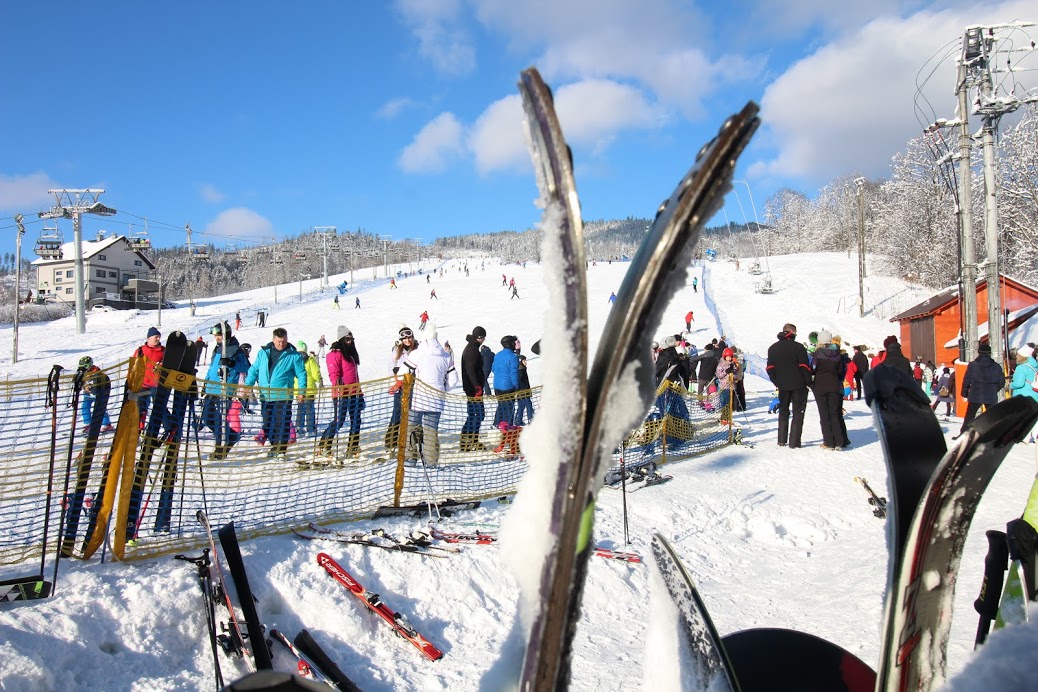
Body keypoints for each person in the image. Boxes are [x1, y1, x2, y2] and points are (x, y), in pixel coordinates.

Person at [245, 328, 306, 459]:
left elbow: (301, 374)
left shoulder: (294, 355)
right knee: (268, 423)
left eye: (283, 341)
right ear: (273, 340)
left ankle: (280, 450)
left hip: (283, 396)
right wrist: (247, 385)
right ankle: (275, 446)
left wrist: (301, 391)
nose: (281, 344)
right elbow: (254, 370)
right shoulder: (263, 353)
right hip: (265, 395)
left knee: (281, 423)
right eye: (279, 341)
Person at [403, 322, 458, 466]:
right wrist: (442, 389)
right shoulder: (446, 356)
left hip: (418, 399)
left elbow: (404, 372)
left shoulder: (417, 353)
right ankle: (430, 460)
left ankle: (410, 457)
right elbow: (453, 379)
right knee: (430, 430)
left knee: (412, 426)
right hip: (437, 399)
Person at [200, 322, 250, 460]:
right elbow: (212, 369)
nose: (217, 338)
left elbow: (246, 368)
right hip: (212, 389)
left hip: (226, 389)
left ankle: (220, 448)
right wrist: (205, 383)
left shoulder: (236, 350)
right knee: (207, 417)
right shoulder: (216, 349)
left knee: (222, 419)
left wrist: (232, 364)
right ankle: (231, 436)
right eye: (216, 336)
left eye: (219, 335)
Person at [316, 326, 363, 461]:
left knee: (356, 420)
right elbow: (333, 374)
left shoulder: (351, 354)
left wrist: (360, 392)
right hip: (341, 393)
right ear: (341, 339)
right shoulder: (335, 354)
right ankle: (325, 444)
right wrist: (338, 384)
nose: (350, 342)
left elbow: (355, 376)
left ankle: (353, 446)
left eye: (351, 339)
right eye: (347, 339)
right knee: (339, 420)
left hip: (354, 392)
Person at [766, 323, 812, 448]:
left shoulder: (773, 348)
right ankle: (794, 442)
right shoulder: (798, 347)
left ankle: (781, 440)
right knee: (798, 412)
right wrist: (809, 383)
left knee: (783, 411)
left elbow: (770, 368)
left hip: (782, 385)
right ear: (792, 332)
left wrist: (776, 381)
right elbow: (805, 367)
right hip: (799, 385)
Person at [958, 342, 1006, 436]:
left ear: (979, 352)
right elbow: (1001, 382)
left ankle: (964, 434)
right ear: (989, 353)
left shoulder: (973, 365)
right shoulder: (996, 366)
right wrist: (993, 389)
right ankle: (993, 436)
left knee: (970, 415)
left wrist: (964, 393)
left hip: (975, 393)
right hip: (991, 394)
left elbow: (967, 380)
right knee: (991, 416)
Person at [385, 325, 418, 451]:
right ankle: (391, 443)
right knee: (397, 414)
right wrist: (395, 381)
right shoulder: (397, 352)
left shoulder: (417, 350)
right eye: (404, 339)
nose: (407, 341)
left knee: (413, 416)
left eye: (409, 337)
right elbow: (390, 368)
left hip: (414, 388)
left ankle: (411, 442)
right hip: (400, 388)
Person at [811, 338, 846, 450]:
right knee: (834, 413)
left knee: (824, 414)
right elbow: (841, 371)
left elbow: (813, 368)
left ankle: (829, 442)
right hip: (834, 385)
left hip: (820, 385)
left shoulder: (818, 354)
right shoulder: (838, 354)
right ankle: (839, 442)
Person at [461, 326, 489, 451]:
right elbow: (470, 369)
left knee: (477, 414)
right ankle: (467, 440)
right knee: (476, 414)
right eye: (483, 337)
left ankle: (472, 439)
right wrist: (477, 386)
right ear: (480, 338)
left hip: (473, 387)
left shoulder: (473, 347)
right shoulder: (472, 350)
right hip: (473, 389)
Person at [132, 327, 165, 429]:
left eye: (159, 337)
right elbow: (134, 365)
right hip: (143, 383)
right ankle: (139, 427)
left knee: (160, 408)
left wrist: (162, 365)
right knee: (141, 406)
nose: (158, 339)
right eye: (156, 337)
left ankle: (170, 428)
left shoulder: (163, 351)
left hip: (158, 384)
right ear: (149, 338)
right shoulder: (141, 350)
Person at [491, 335, 521, 428]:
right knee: (509, 408)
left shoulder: (498, 355)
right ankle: (507, 428)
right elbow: (514, 373)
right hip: (508, 386)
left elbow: (494, 369)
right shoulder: (513, 357)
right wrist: (516, 386)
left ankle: (497, 424)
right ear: (511, 344)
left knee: (501, 405)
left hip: (497, 385)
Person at [294, 342, 323, 438]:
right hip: (309, 389)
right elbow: (315, 373)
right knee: (309, 409)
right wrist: (319, 379)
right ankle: (310, 428)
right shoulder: (310, 360)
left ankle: (299, 428)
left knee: (300, 408)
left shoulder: (295, 361)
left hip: (298, 390)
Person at [79, 356, 113, 434]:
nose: (83, 369)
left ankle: (107, 424)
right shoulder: (82, 373)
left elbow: (99, 384)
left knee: (100, 408)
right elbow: (79, 382)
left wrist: (91, 387)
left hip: (97, 394)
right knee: (85, 407)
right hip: (88, 394)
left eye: (85, 367)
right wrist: (83, 386)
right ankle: (88, 423)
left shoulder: (97, 373)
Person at [714, 348, 740, 424]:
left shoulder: (733, 364)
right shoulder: (721, 365)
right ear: (724, 356)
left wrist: (733, 374)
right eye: (727, 357)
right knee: (724, 403)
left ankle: (728, 418)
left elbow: (737, 375)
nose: (729, 359)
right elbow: (718, 375)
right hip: (723, 387)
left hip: (731, 387)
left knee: (730, 403)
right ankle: (723, 418)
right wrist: (726, 372)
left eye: (730, 357)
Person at [515, 355, 534, 425]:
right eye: (524, 360)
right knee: (529, 405)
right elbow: (520, 381)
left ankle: (518, 420)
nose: (526, 362)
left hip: (522, 391)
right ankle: (530, 419)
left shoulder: (522, 369)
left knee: (521, 406)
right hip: (524, 391)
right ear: (520, 361)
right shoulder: (521, 370)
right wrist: (524, 389)